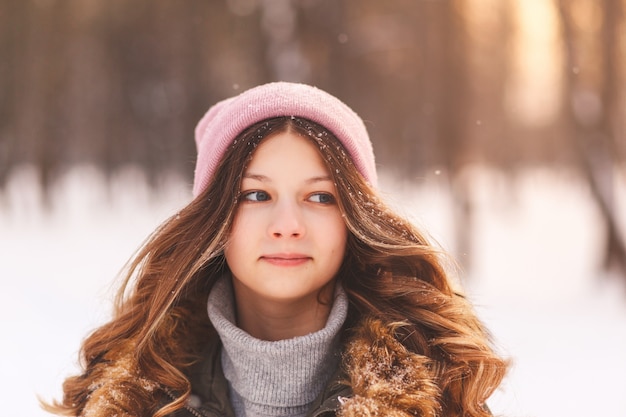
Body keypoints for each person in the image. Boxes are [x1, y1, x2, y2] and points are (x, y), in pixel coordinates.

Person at [44, 82, 508, 417]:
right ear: (215, 218)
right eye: (256, 195)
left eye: (321, 197)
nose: (287, 226)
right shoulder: (127, 397)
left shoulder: (439, 393)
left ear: (354, 218)